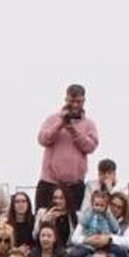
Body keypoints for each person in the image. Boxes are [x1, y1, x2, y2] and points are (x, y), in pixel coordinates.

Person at [35, 84, 99, 212]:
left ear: (84, 101)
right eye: (71, 101)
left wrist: (73, 131)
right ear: (66, 99)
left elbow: (91, 147)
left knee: (73, 225)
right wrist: (60, 124)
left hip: (75, 185)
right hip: (49, 182)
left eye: (79, 101)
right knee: (44, 220)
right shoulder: (52, 119)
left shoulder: (89, 124)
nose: (75, 105)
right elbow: (43, 139)